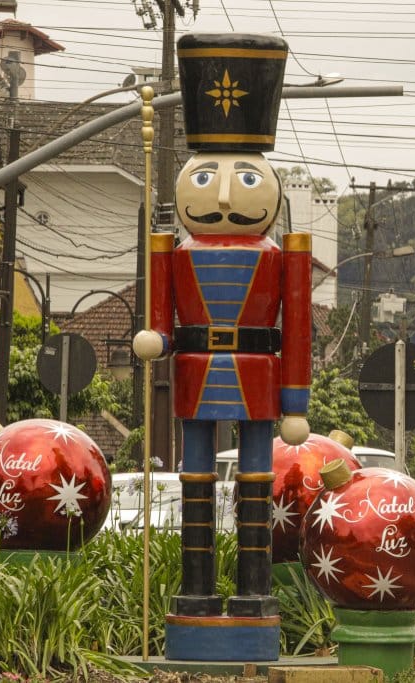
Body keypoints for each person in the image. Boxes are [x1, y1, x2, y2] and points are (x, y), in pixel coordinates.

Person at [133, 32, 310, 625]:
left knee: (256, 475)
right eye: (206, 178)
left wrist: (295, 399)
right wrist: (155, 334)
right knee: (196, 477)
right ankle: (196, 586)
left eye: (246, 180)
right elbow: (160, 316)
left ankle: (255, 589)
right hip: (196, 366)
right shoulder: (173, 248)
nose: (228, 195)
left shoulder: (284, 253)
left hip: (259, 372)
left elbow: (300, 330)